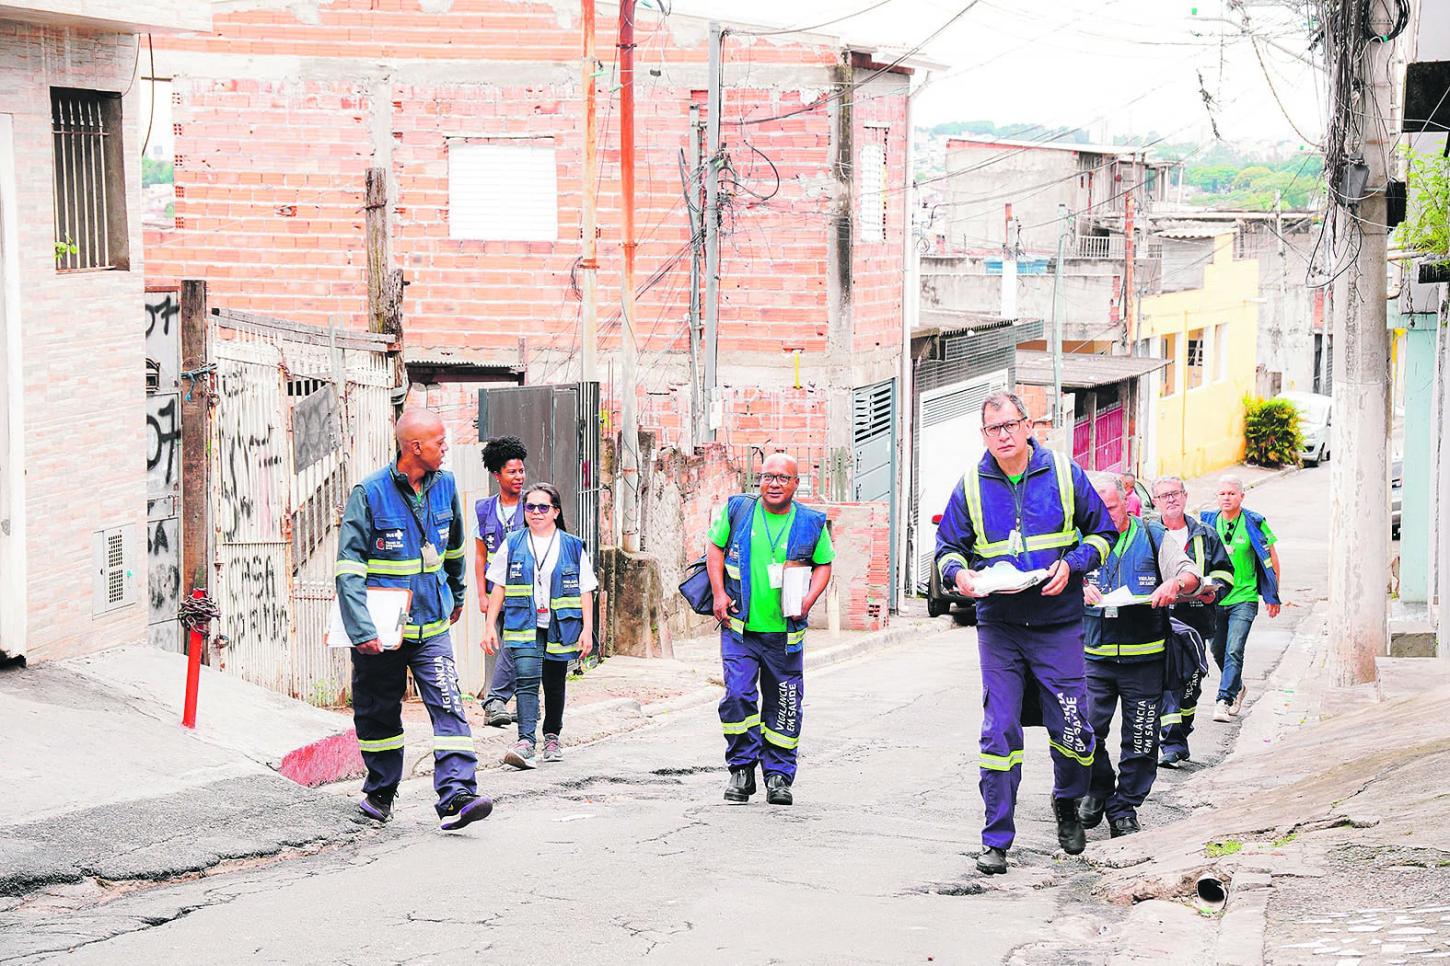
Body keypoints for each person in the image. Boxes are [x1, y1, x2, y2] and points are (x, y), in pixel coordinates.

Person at [935, 391, 1117, 875]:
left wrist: (1073, 564)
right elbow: (947, 549)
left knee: (1074, 729)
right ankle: (996, 838)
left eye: (1011, 425)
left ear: (1028, 424)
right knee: (1000, 731)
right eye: (994, 429)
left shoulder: (1062, 472)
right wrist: (960, 576)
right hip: (1001, 626)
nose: (1004, 435)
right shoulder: (971, 484)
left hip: (1058, 622)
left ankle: (1067, 805)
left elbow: (1103, 533)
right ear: (984, 435)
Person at [334, 408, 492, 831]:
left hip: (431, 625)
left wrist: (456, 595)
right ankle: (380, 792)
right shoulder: (369, 493)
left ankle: (458, 794)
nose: (446, 448)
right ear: (413, 447)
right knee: (377, 712)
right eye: (439, 442)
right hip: (381, 631)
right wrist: (360, 627)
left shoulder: (446, 486)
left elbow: (455, 549)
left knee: (449, 705)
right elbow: (348, 567)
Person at [705, 452, 834, 807]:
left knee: (785, 703)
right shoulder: (740, 511)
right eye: (767, 476)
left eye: (782, 478)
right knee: (737, 696)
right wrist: (718, 593)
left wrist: (808, 599)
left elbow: (824, 564)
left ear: (795, 484)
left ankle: (778, 775)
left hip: (785, 635)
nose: (773, 483)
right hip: (740, 628)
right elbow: (714, 549)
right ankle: (742, 769)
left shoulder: (809, 522)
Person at [1076, 474, 1200, 838]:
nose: (1104, 516)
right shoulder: (1078, 540)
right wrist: (1077, 587)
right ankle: (1098, 788)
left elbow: (1190, 573)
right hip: (1092, 657)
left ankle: (1124, 807)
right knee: (1082, 733)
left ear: (1127, 501)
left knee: (1143, 740)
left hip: (1144, 659)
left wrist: (1174, 584)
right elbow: (1053, 578)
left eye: (1111, 508)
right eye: (1096, 509)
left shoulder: (1152, 536)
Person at [482, 482, 596, 769]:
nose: (535, 512)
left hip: (561, 626)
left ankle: (552, 736)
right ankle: (525, 741)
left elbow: (585, 590)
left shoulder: (571, 546)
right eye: (530, 506)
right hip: (523, 625)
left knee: (555, 684)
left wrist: (587, 630)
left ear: (555, 511)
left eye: (543, 507)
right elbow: (498, 587)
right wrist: (488, 627)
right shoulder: (513, 542)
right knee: (526, 682)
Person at [1152, 475, 1234, 768]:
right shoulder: (1148, 534)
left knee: (1191, 682)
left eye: (1175, 493)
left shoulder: (1205, 534)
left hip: (1196, 619)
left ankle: (1179, 735)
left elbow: (1225, 573)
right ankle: (1171, 743)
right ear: (1155, 502)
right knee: (1166, 680)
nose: (1171, 499)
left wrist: (1213, 593)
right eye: (1164, 496)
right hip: (1159, 618)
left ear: (1185, 496)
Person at [1201, 476, 1282, 722]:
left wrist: (1273, 594)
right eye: (1222, 493)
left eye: (1232, 493)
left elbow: (1271, 559)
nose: (1226, 497)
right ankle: (1237, 687)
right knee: (1217, 650)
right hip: (1215, 598)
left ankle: (1223, 700)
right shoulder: (1206, 521)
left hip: (1244, 597)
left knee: (1234, 649)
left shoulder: (1255, 522)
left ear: (1241, 496)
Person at [474, 435, 529, 728]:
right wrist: (482, 594)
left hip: (527, 592)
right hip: (497, 592)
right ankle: (523, 701)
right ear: (497, 475)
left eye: (521, 470)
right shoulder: (484, 510)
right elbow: (480, 556)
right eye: (512, 471)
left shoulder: (534, 505)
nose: (519, 477)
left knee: (514, 642)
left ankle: (495, 700)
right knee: (511, 645)